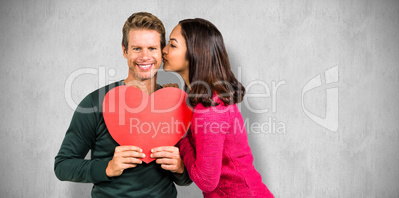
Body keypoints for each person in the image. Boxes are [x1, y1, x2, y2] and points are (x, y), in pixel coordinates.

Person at [54, 12, 192, 198]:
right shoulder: (96, 103)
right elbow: (62, 166)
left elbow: (186, 179)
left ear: (162, 52)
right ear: (124, 50)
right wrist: (108, 167)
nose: (145, 56)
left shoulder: (177, 105)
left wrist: (180, 168)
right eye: (136, 49)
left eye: (152, 48)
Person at [162, 18, 275, 197]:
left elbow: (206, 181)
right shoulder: (203, 99)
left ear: (194, 53)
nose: (164, 50)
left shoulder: (209, 109)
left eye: (173, 45)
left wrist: (181, 135)